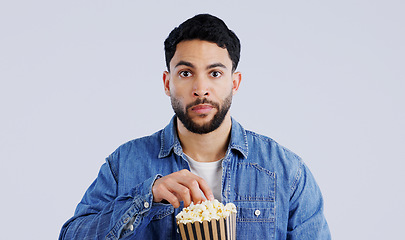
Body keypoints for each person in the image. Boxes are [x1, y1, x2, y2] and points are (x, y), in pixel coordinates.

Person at [59, 14, 331, 240]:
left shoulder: (286, 172)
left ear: (234, 83)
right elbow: (71, 235)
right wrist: (147, 197)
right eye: (186, 73)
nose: (201, 89)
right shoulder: (124, 164)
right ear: (168, 83)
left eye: (215, 73)